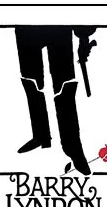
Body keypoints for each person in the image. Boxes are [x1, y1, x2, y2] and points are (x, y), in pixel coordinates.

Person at [14, 25, 97, 175]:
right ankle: (41, 135)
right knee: (31, 81)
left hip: (58, 25)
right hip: (25, 24)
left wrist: (83, 36)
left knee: (64, 86)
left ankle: (72, 145)